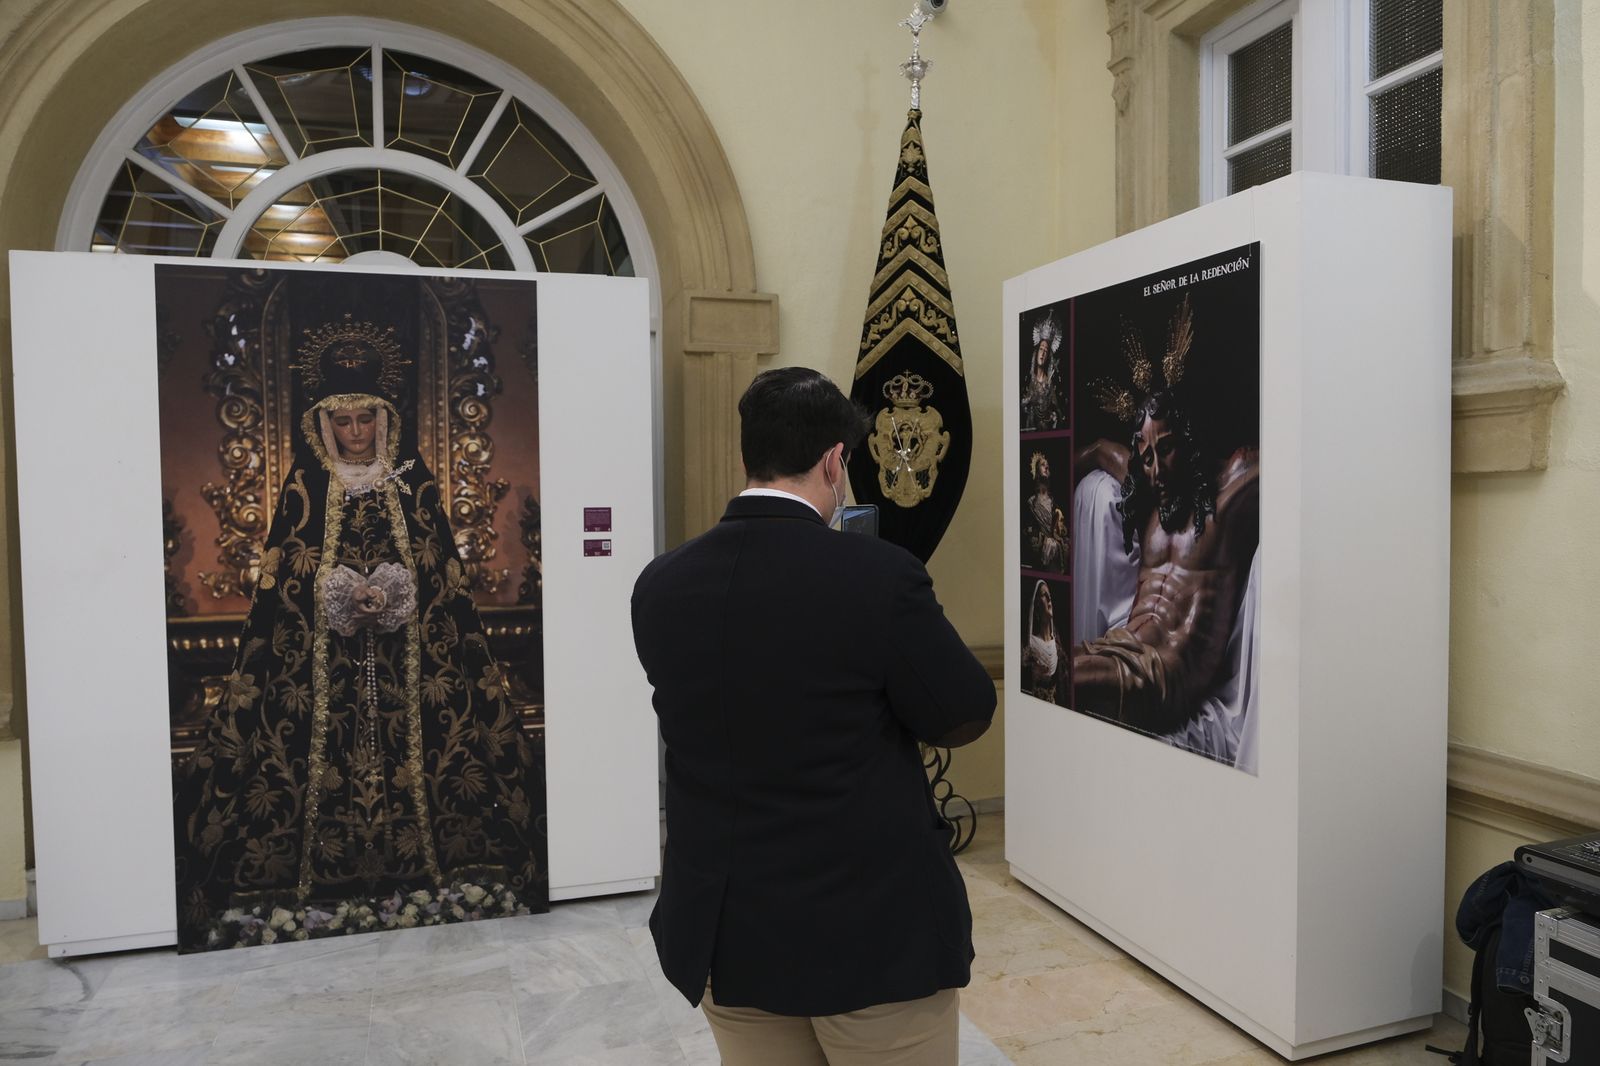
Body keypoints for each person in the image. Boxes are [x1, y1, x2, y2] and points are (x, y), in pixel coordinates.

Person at [631, 366, 995, 1066]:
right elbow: (964, 710)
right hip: (869, 936)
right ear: (836, 460)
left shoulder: (661, 584)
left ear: (747, 458)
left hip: (727, 932)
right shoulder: (878, 575)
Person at [171, 322, 544, 951]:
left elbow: (440, 568)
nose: (355, 433)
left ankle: (441, 872)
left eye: (364, 420)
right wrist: (335, 591)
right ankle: (310, 887)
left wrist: (399, 590)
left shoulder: (409, 482)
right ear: (324, 424)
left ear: (383, 419)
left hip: (412, 666)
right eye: (342, 421)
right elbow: (283, 573)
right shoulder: (306, 488)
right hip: (323, 675)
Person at [1071, 388, 1258, 736]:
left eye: (1168, 449)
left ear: (1190, 441)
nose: (1157, 470)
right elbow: (1097, 451)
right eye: (1147, 457)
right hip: (1120, 647)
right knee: (1037, 661)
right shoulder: (1150, 489)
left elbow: (1293, 458)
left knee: (1054, 673)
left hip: (1165, 678)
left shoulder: (1229, 492)